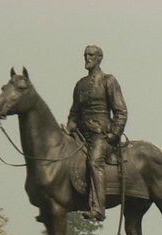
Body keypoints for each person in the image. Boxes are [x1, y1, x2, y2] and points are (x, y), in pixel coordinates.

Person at [65, 45, 127, 223]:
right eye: (85, 55)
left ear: (100, 58)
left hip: (101, 134)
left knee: (94, 161)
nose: (87, 58)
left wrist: (114, 134)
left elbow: (121, 111)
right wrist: (69, 127)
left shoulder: (108, 80)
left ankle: (98, 208)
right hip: (80, 134)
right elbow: (74, 113)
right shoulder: (80, 84)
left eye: (91, 55)